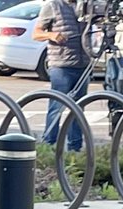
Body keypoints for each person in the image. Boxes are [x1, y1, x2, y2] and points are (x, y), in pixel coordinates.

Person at [33, 0, 91, 153]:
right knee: (56, 107)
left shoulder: (85, 5)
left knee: (78, 108)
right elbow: (36, 33)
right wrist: (51, 35)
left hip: (83, 64)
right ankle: (49, 145)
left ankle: (75, 148)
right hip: (61, 65)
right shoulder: (52, 5)